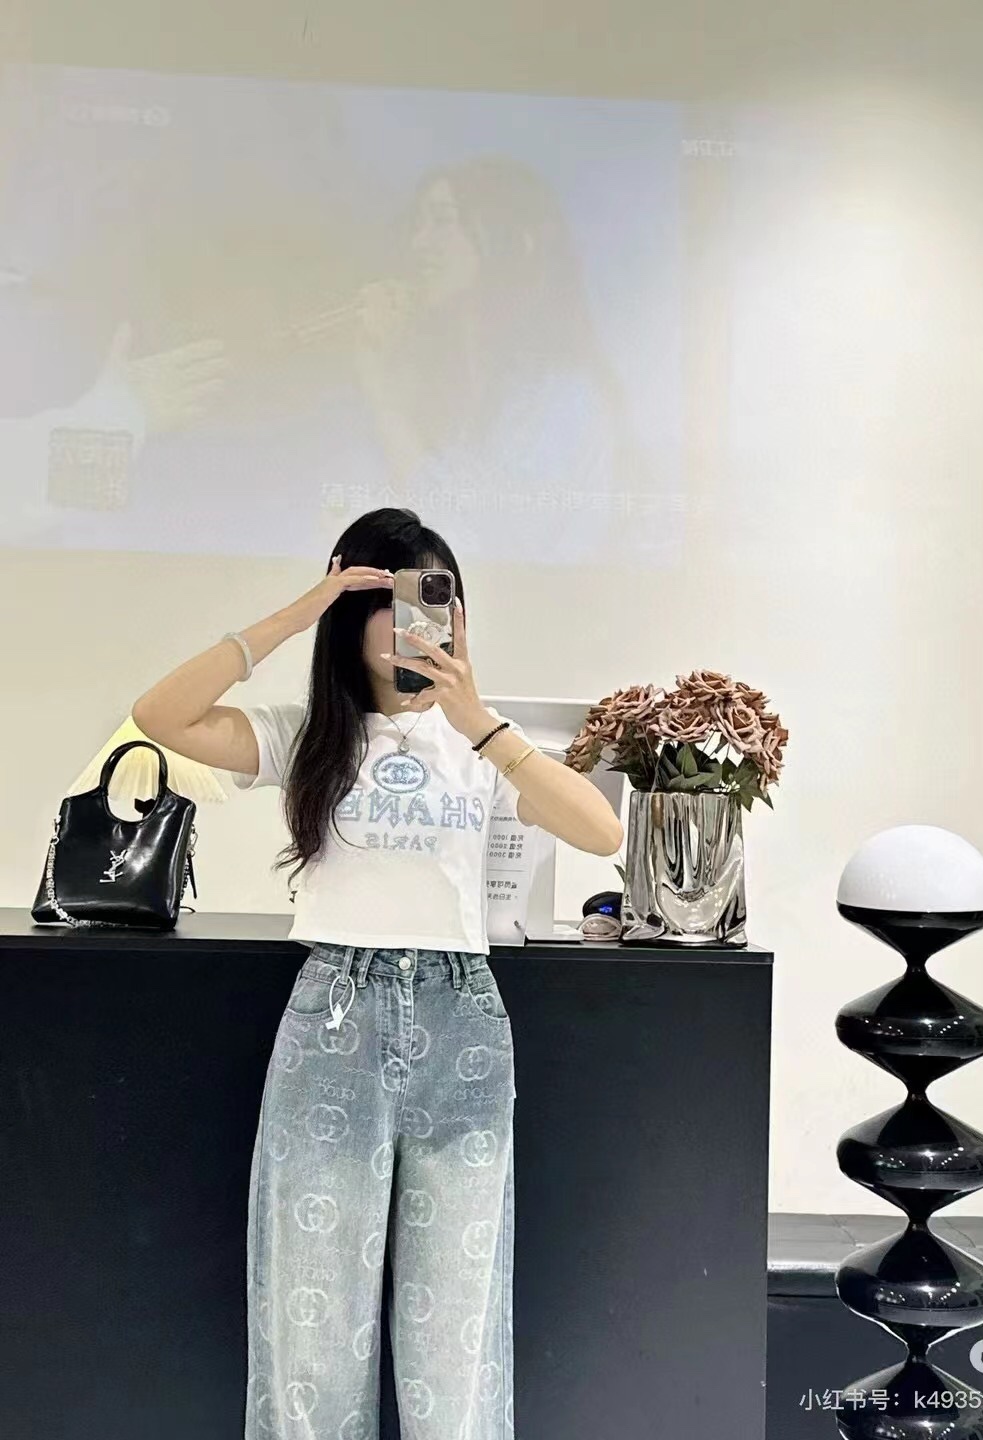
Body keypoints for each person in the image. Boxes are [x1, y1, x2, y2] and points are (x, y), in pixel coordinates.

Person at [131, 507, 623, 1439]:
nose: (413, 621)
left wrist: (478, 720)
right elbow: (162, 716)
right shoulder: (309, 736)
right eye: (390, 598)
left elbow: (602, 831)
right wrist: (295, 613)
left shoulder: (481, 744)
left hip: (461, 1022)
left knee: (455, 1334)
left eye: (434, 598)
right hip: (335, 1019)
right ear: (350, 614)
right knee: (312, 1323)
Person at [350, 158, 629, 562]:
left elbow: (477, 541)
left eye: (443, 220)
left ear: (509, 242)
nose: (419, 243)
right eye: (418, 224)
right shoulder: (444, 383)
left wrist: (381, 396)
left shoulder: (564, 397)